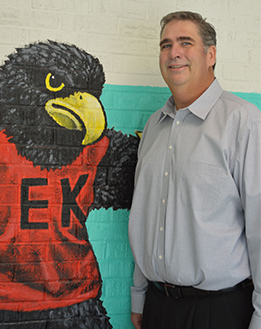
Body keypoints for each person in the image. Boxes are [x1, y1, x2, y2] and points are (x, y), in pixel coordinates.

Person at [128, 11, 261, 329]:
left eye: (185, 42)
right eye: (166, 44)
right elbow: (145, 217)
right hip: (158, 307)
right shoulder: (154, 126)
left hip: (219, 312)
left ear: (210, 54)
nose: (174, 52)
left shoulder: (243, 121)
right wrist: (140, 295)